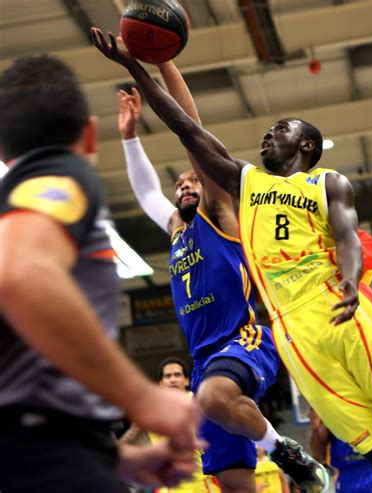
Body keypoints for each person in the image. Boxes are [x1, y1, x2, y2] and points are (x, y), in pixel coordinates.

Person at [91, 29, 372, 493]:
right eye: (268, 131)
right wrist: (136, 65)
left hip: (330, 305)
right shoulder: (239, 186)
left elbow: (348, 235)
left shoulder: (322, 182)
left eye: (281, 129)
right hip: (292, 332)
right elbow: (185, 129)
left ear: (306, 146)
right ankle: (287, 451)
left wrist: (351, 280)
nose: (267, 134)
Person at [115, 59, 328, 493]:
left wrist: (165, 61)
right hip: (203, 361)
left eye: (193, 180)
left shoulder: (220, 214)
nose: (184, 187)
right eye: (179, 185)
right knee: (233, 483)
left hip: (244, 340)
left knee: (214, 398)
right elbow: (144, 193)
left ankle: (286, 453)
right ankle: (272, 445)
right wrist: (129, 138)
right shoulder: (177, 229)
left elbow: (190, 126)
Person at [0, 55, 202, 493]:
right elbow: (20, 275)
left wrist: (119, 459)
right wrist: (141, 396)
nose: (185, 189)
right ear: (90, 135)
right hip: (42, 452)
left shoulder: (16, 204)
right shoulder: (59, 173)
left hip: (54, 448)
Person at [122, 357, 220, 493]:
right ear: (161, 383)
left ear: (186, 381)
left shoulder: (199, 402)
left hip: (202, 483)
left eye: (177, 375)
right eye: (168, 376)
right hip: (167, 486)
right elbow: (130, 439)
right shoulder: (149, 409)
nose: (173, 379)